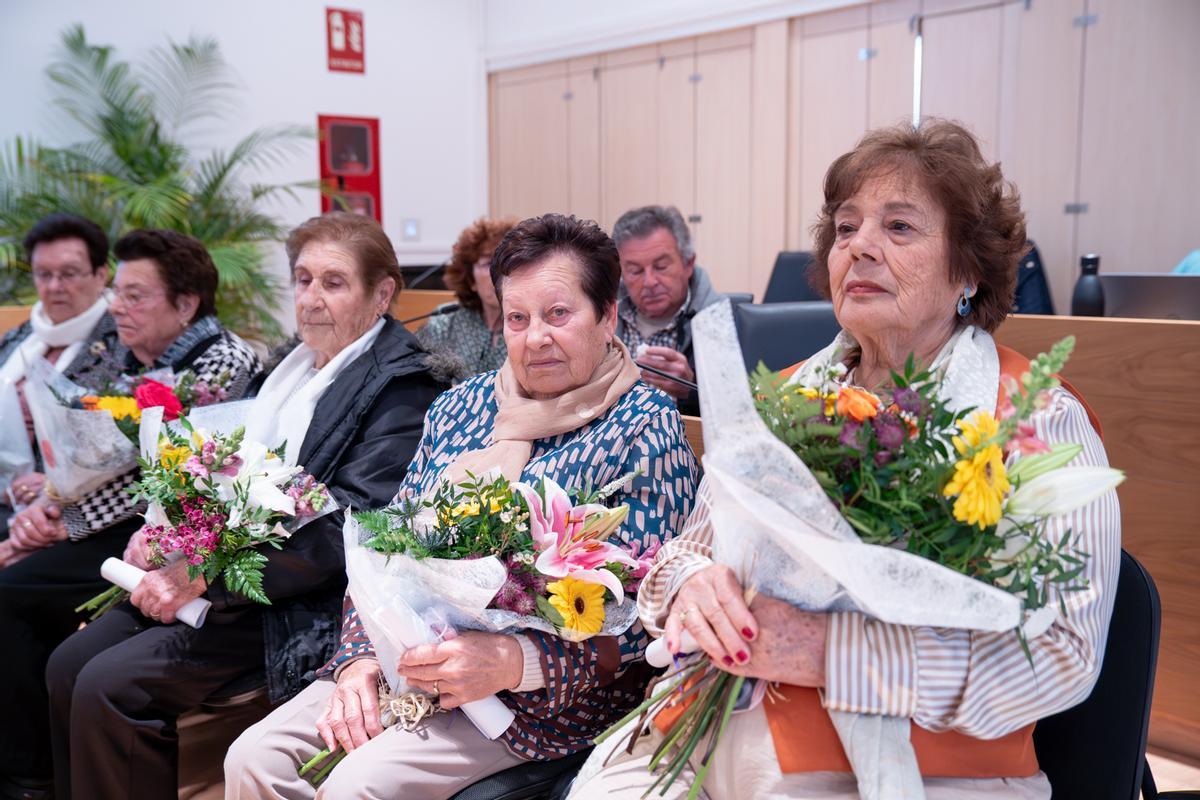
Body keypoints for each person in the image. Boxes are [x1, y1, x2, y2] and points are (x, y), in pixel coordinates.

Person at [571, 120, 1121, 799]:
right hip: (704, 731)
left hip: (912, 768)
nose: (858, 247)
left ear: (969, 271)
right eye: (845, 228)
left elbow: (1062, 656)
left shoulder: (1037, 422)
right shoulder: (782, 399)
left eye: (898, 228)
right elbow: (680, 554)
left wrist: (832, 652)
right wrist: (689, 585)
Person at [225, 213, 699, 799]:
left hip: (537, 699)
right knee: (252, 759)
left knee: (356, 789)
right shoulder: (462, 406)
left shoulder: (643, 426)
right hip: (408, 658)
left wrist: (513, 659)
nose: (537, 338)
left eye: (559, 314)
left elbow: (646, 611)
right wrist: (356, 659)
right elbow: (379, 541)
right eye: (518, 318)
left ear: (606, 316)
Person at [44, 212, 446, 799]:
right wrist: (168, 533)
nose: (310, 298)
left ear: (381, 293)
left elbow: (348, 531)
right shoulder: (290, 366)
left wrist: (203, 574)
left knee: (111, 685)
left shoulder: (403, 388)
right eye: (303, 279)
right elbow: (221, 474)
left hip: (301, 603)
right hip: (229, 578)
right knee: (67, 663)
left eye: (333, 283)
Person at [0, 228, 261, 798]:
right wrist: (47, 507)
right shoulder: (115, 349)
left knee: (13, 593)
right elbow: (81, 449)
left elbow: (154, 478)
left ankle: (30, 777)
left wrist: (58, 522)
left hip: (166, 533)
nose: (117, 306)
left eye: (135, 295)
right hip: (111, 523)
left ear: (186, 303)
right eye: (117, 292)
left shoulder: (220, 362)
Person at [0, 214, 112, 530]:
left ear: (101, 274)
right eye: (43, 274)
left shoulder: (122, 344)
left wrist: (53, 483)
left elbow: (115, 444)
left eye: (69, 274)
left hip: (58, 511)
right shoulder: (22, 336)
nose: (54, 287)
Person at [612, 205, 722, 415]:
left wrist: (692, 389)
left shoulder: (718, 321)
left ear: (688, 264)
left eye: (661, 266)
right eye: (635, 271)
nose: (650, 282)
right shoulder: (603, 316)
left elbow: (738, 410)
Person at [417, 216, 518, 377]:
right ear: (471, 279)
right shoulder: (444, 324)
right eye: (488, 263)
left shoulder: (530, 327)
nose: (499, 272)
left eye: (507, 261)